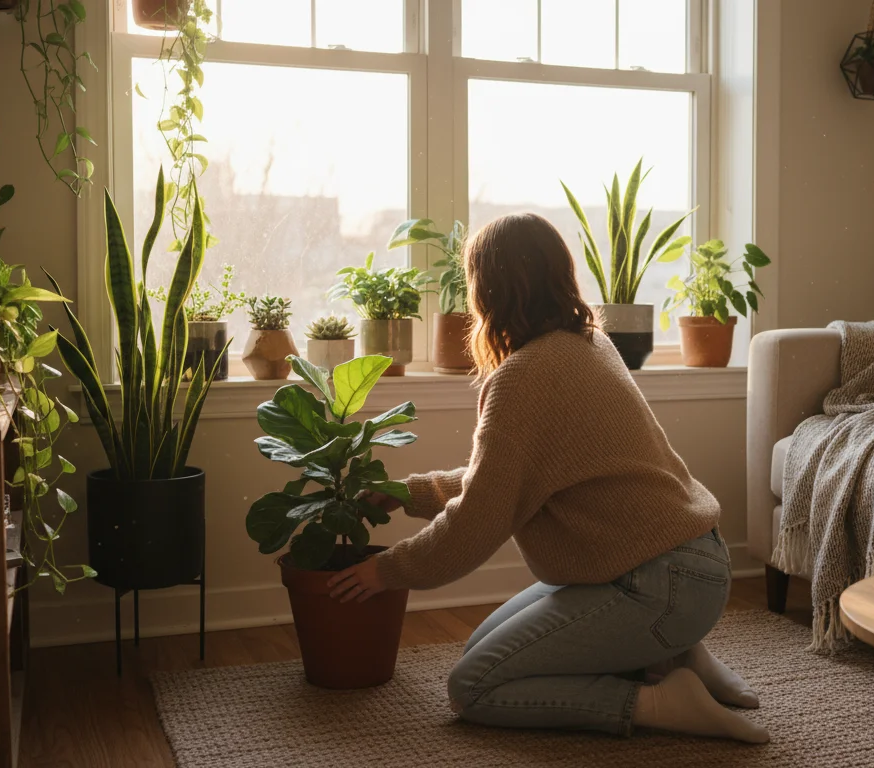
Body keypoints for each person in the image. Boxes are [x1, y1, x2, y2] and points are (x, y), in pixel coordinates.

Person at [327, 213, 768, 743]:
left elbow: (477, 523)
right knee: (482, 653)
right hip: (689, 562)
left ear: (486, 290)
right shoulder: (588, 343)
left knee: (475, 686)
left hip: (657, 585)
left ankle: (657, 697)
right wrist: (408, 493)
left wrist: (386, 571)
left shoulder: (524, 376)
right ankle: (675, 653)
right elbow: (509, 478)